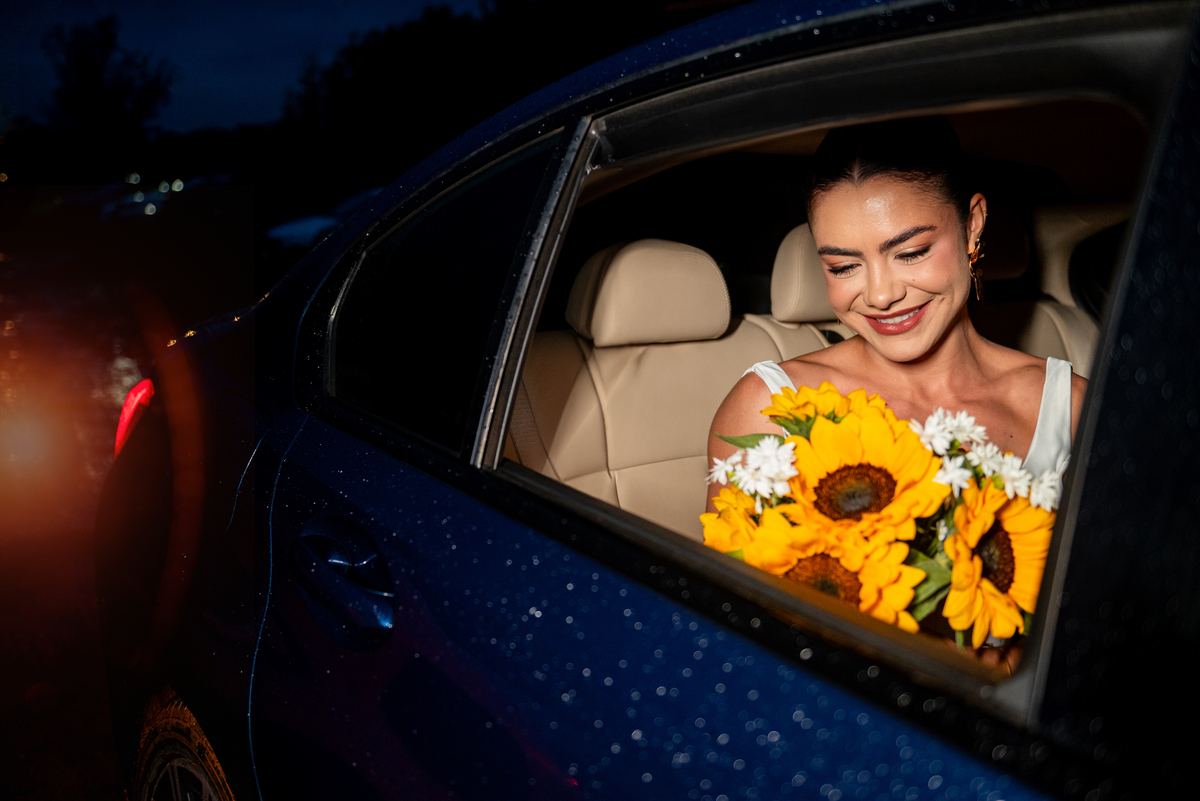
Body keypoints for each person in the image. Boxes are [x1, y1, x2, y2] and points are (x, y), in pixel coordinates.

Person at [705, 117, 1086, 669]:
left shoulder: (1071, 407)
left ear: (973, 224)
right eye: (843, 265)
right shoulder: (769, 409)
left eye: (910, 253)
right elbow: (733, 633)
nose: (880, 294)